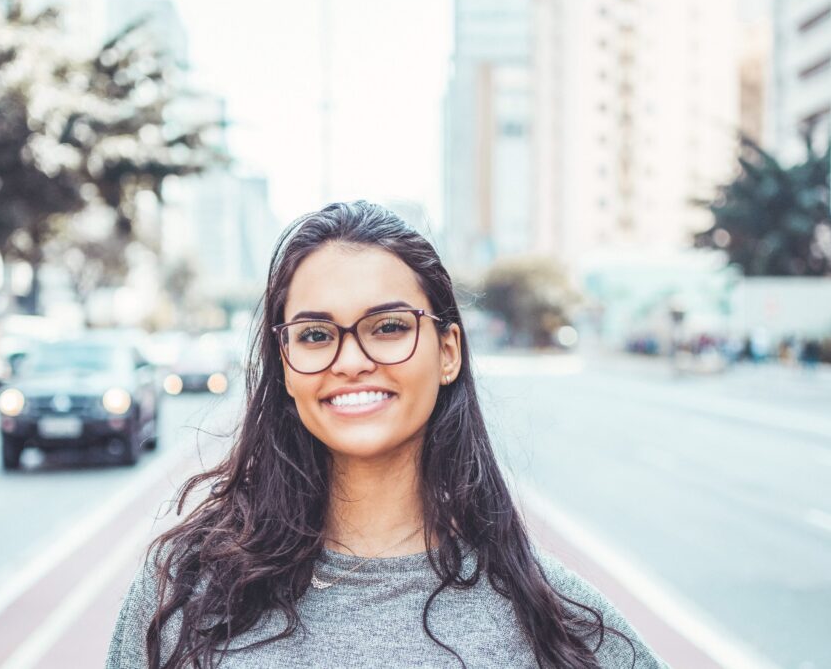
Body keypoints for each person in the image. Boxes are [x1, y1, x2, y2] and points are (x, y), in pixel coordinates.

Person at [107, 201, 668, 668]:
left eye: (390, 327)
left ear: (448, 351)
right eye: (316, 334)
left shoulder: (557, 624)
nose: (350, 360)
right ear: (283, 364)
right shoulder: (182, 595)